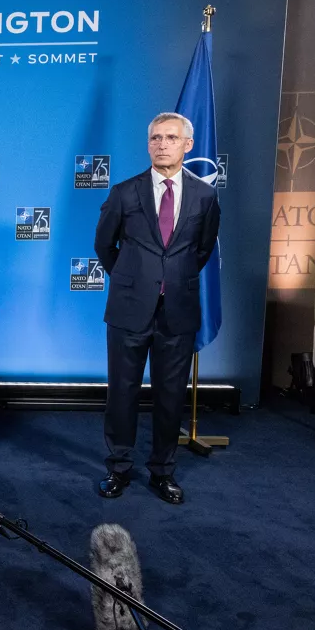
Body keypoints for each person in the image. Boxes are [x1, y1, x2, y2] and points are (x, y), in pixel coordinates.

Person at [94, 112, 221, 504]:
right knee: (122, 393)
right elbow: (104, 246)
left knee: (170, 396)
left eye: (170, 138)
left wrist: (171, 282)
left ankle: (163, 472)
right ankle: (118, 468)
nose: (162, 144)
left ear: (187, 145)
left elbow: (201, 250)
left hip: (178, 311)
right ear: (148, 144)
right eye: (155, 138)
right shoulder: (124, 192)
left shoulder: (205, 195)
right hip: (129, 309)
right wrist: (135, 280)